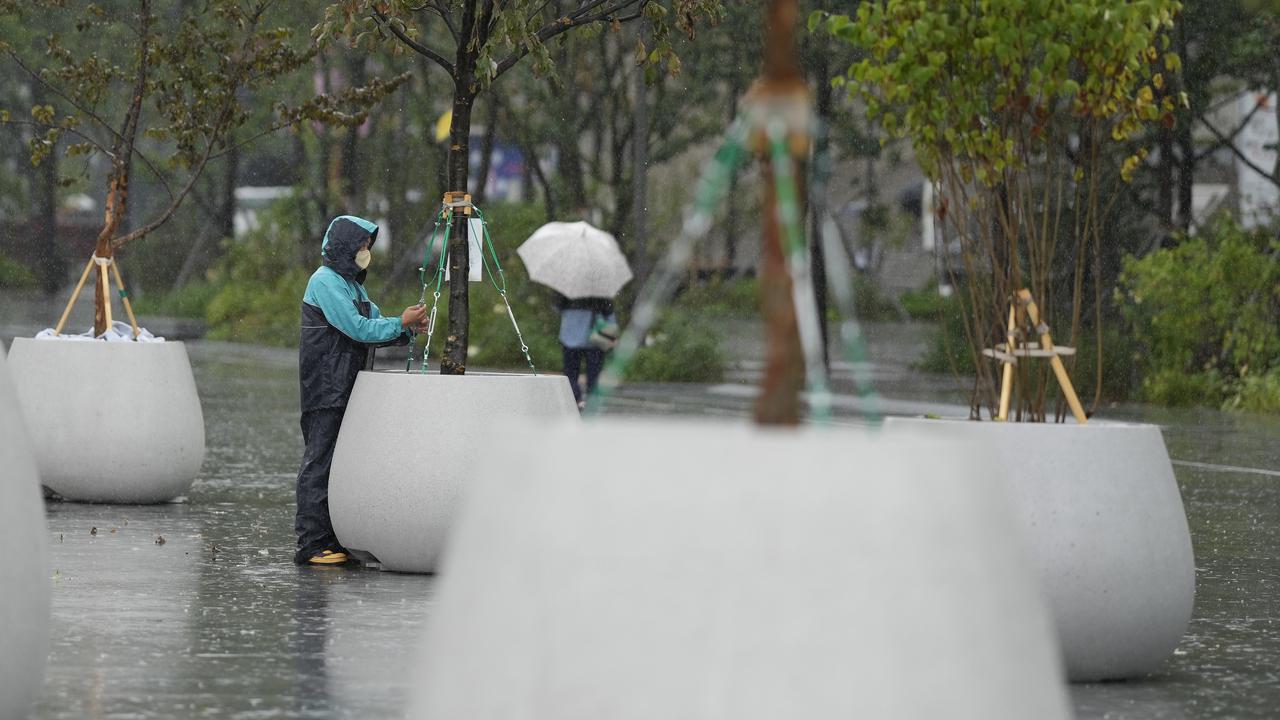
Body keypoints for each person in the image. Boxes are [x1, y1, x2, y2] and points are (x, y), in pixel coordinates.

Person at [294, 215, 428, 566]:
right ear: (344, 247)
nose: (365, 252)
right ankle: (311, 543)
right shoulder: (324, 282)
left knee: (340, 466)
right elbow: (359, 329)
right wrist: (401, 322)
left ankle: (334, 539)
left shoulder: (353, 285)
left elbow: (376, 323)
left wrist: (406, 328)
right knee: (319, 463)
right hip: (325, 388)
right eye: (362, 246)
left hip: (347, 387)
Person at [555, 294, 617, 409]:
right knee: (594, 373)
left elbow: (558, 307)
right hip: (594, 339)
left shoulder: (567, 290)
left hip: (570, 337)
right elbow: (609, 314)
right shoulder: (601, 291)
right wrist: (613, 336)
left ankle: (575, 398)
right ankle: (592, 401)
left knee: (571, 374)